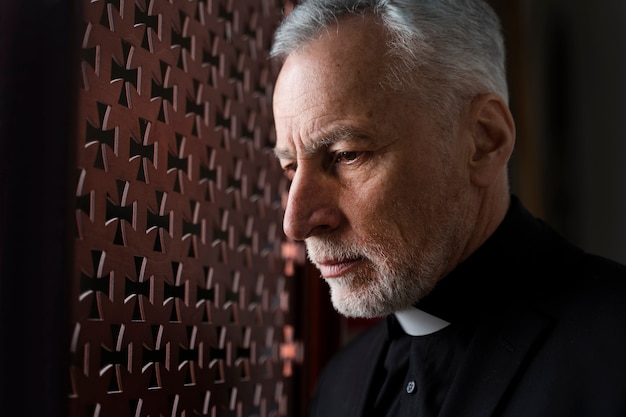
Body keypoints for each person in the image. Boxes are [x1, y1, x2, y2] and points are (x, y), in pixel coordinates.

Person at [270, 1, 626, 416]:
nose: (296, 224)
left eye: (347, 155)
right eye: (291, 168)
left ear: (484, 140)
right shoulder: (336, 385)